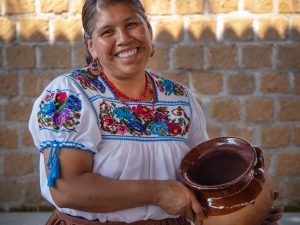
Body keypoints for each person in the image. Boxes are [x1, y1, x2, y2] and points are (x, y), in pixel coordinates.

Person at [28, 1, 283, 225]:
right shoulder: (70, 94)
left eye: (132, 25)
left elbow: (202, 184)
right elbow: (67, 188)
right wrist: (158, 193)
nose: (124, 38)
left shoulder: (179, 98)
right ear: (91, 45)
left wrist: (244, 208)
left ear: (148, 31)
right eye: (108, 31)